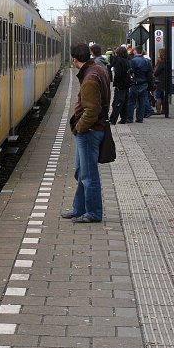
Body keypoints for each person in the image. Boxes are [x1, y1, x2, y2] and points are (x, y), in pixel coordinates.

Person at [61, 43, 110, 223]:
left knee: (89, 176)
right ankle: (79, 208)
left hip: (89, 131)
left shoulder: (89, 79)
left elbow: (92, 110)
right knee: (81, 172)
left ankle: (94, 213)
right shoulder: (97, 70)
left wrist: (80, 128)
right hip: (92, 129)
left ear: (74, 59)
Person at [126, 46, 154, 123]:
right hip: (144, 83)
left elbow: (130, 72)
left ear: (135, 51)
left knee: (131, 101)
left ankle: (130, 118)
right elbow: (150, 74)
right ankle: (140, 118)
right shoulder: (147, 61)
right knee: (142, 101)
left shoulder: (133, 61)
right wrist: (150, 85)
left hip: (135, 83)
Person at [108, 46, 130, 124]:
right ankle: (124, 118)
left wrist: (115, 83)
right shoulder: (127, 60)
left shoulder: (118, 61)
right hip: (127, 84)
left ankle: (113, 119)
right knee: (124, 102)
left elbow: (118, 74)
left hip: (120, 84)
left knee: (117, 102)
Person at [152, 49, 167, 114]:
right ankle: (164, 110)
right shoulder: (167, 61)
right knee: (162, 96)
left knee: (157, 96)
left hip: (159, 82)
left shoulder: (160, 62)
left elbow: (155, 72)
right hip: (164, 81)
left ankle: (158, 110)